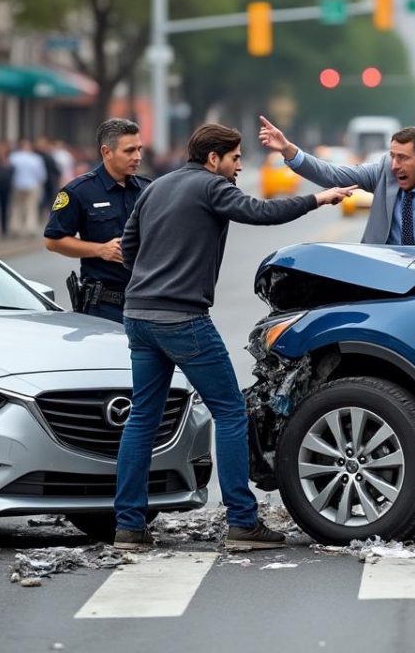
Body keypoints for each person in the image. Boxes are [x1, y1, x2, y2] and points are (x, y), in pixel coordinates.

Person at [112, 123, 355, 552]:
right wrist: (319, 198)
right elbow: (261, 213)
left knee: (143, 418)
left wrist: (151, 278)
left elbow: (129, 246)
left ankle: (129, 527)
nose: (240, 166)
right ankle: (243, 522)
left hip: (138, 315)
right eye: (236, 158)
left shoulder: (156, 188)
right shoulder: (210, 187)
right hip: (181, 318)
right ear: (213, 159)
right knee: (230, 412)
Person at [258, 116, 415, 248]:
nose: (395, 165)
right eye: (392, 156)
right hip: (377, 277)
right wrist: (288, 149)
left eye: (403, 158)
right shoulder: (384, 172)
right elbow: (331, 175)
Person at [44, 119, 148, 323]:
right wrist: (100, 250)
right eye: (129, 151)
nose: (137, 157)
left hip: (147, 303)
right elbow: (53, 241)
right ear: (107, 152)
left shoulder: (148, 189)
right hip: (104, 306)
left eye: (139, 149)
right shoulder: (78, 191)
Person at [9, 140, 46, 235]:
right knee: (31, 207)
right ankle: (30, 228)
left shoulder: (14, 157)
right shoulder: (36, 158)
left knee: (17, 207)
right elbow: (41, 174)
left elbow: (9, 171)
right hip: (32, 185)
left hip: (17, 184)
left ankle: (15, 227)